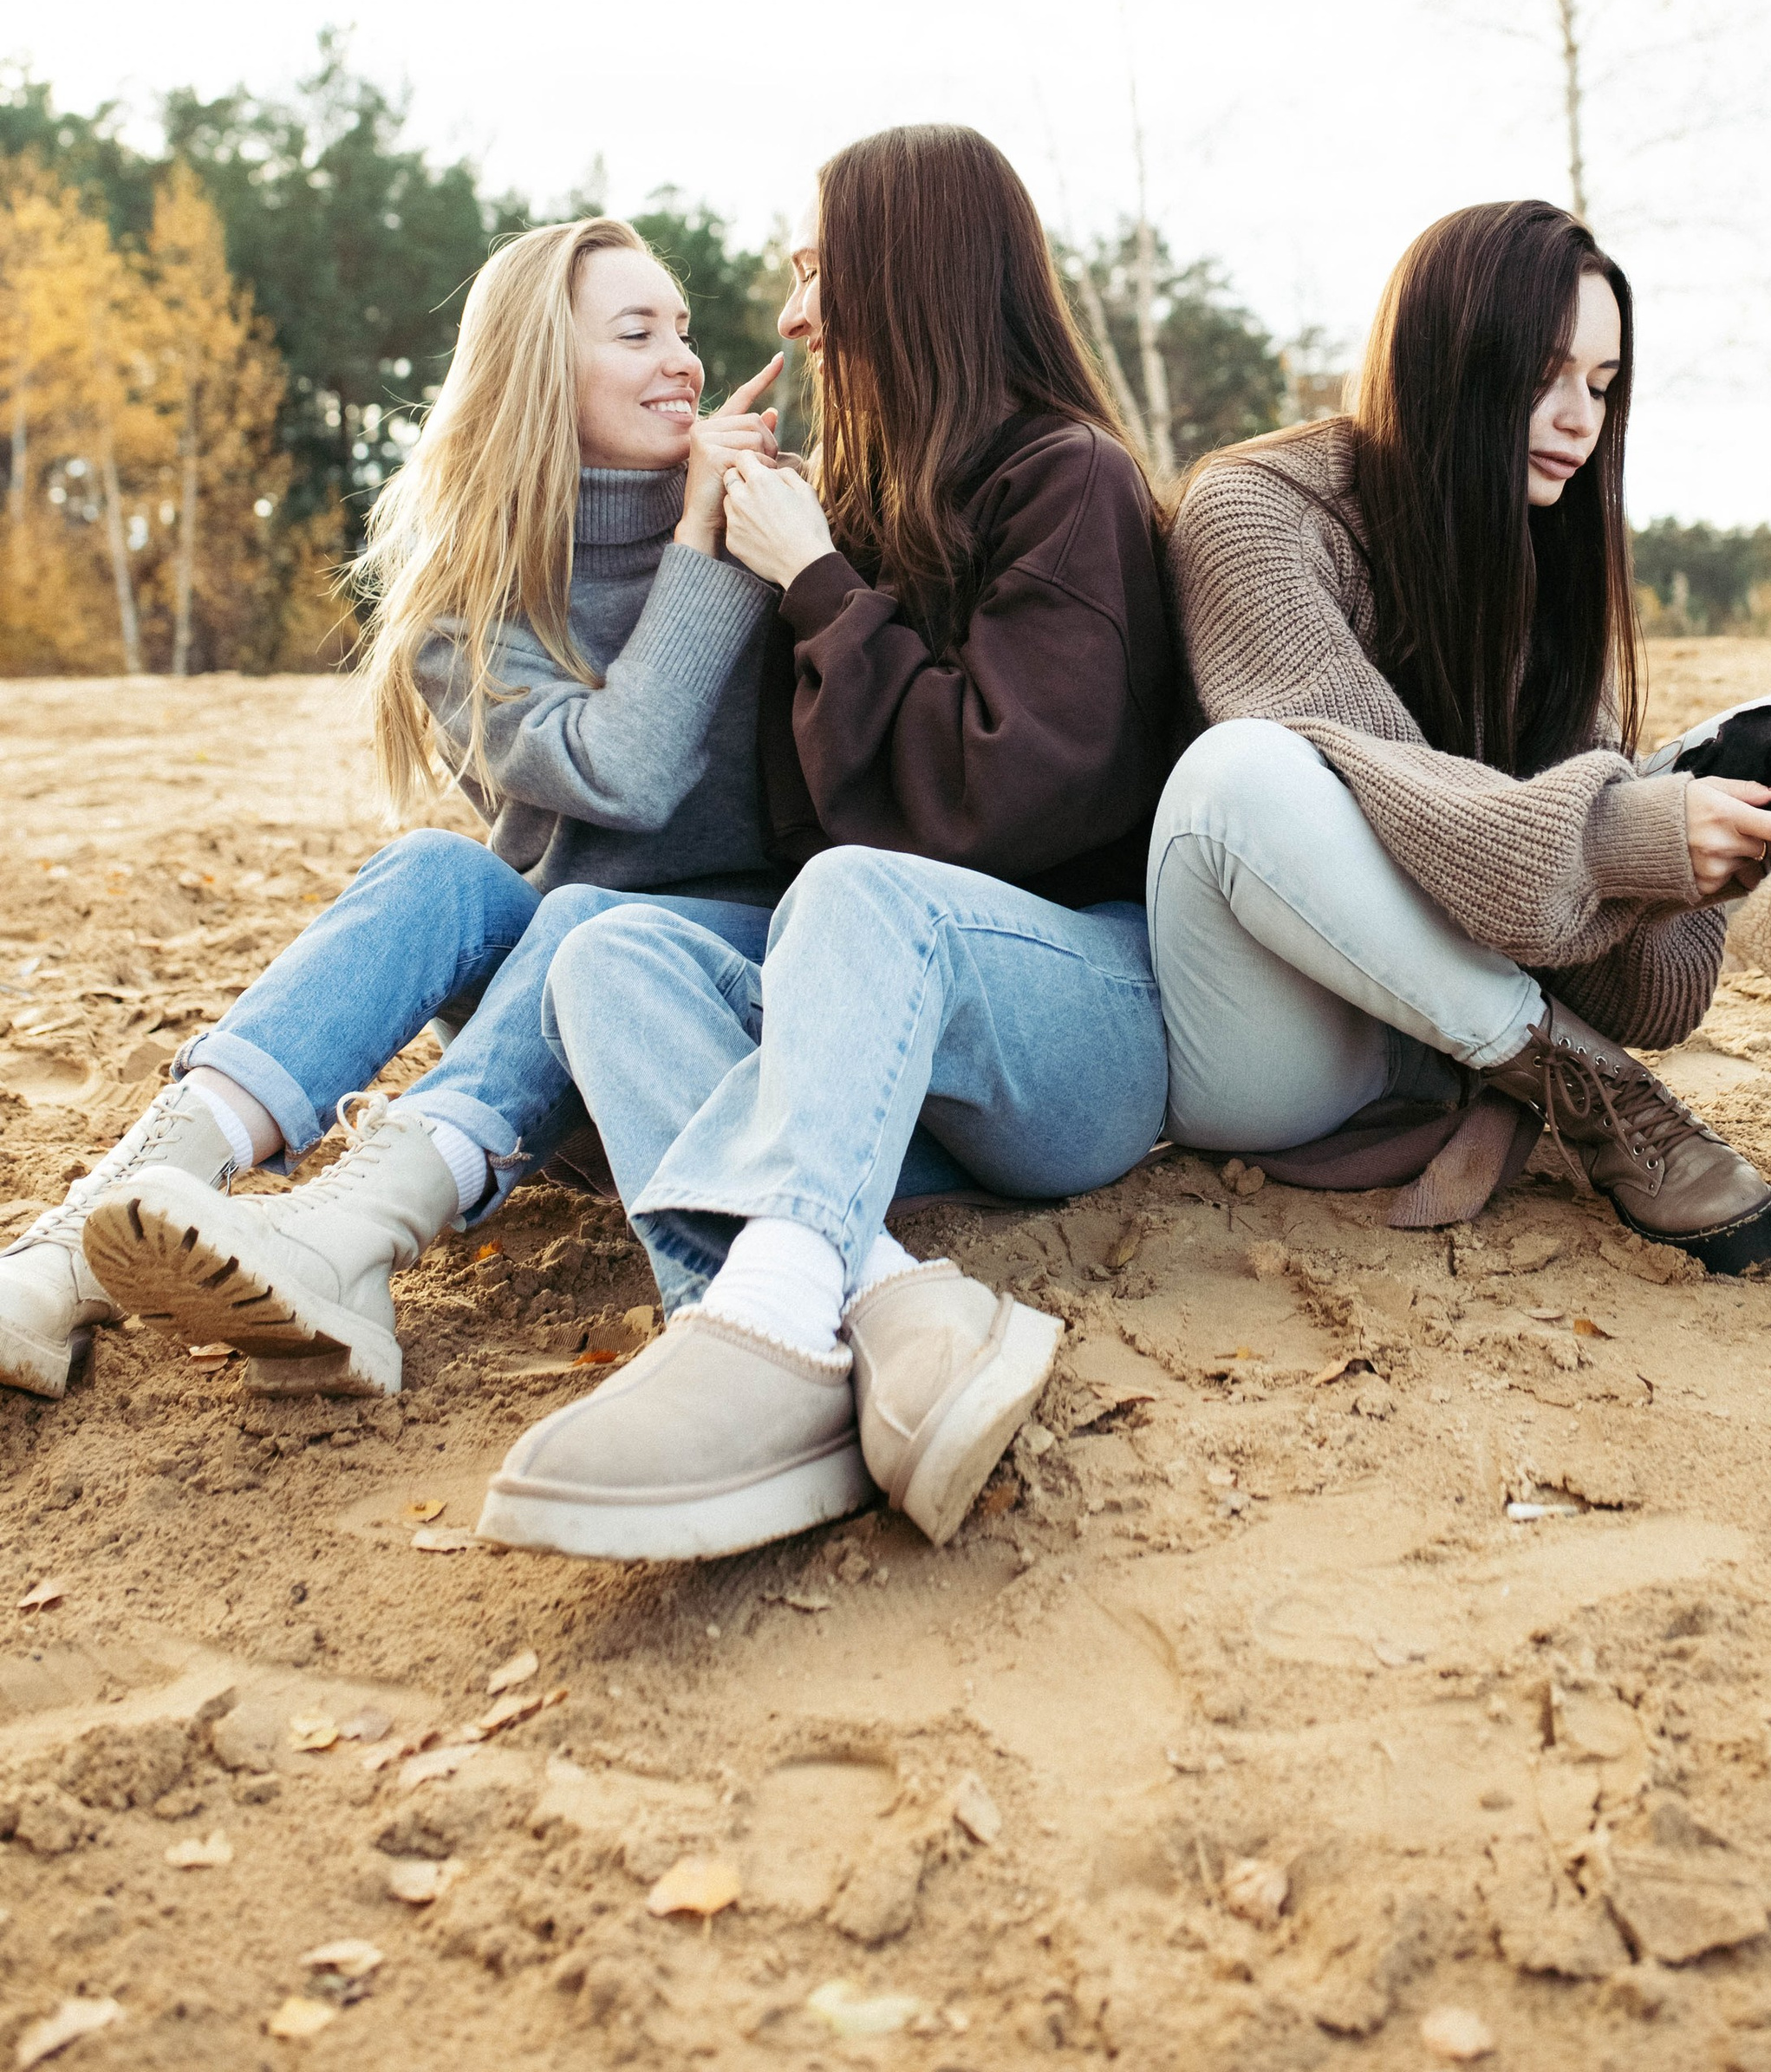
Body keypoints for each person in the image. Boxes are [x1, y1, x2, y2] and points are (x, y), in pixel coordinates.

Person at [471, 123, 1176, 1564]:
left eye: (817, 272)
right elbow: (792, 826)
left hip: (1079, 1030)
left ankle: (773, 1317)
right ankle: (877, 1308)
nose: (793, 317)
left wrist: (818, 583)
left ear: (916, 277)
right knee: (609, 957)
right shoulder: (853, 504)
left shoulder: (1070, 482)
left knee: (856, 895)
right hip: (891, 1068)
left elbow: (994, 804)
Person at [7, 218, 785, 1401]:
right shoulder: (471, 601)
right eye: (638, 333)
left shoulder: (765, 528)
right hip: (536, 1052)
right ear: (538, 370)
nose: (685, 360)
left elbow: (639, 784)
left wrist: (708, 540)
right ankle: (77, 1243)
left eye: (683, 329)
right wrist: (695, 537)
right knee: (440, 869)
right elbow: (619, 775)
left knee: (593, 916)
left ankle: (354, 1235)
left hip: (708, 1008)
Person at [1149, 196, 1771, 1264]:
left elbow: (1650, 1002)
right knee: (1241, 773)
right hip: (1277, 1042)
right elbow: (1386, 800)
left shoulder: (1539, 553)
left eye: (1601, 385)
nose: (1580, 420)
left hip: (1443, 1023)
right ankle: (1590, 1090)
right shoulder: (1256, 509)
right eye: (1545, 376)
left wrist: (1685, 871)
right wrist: (1621, 836)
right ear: (1449, 361)